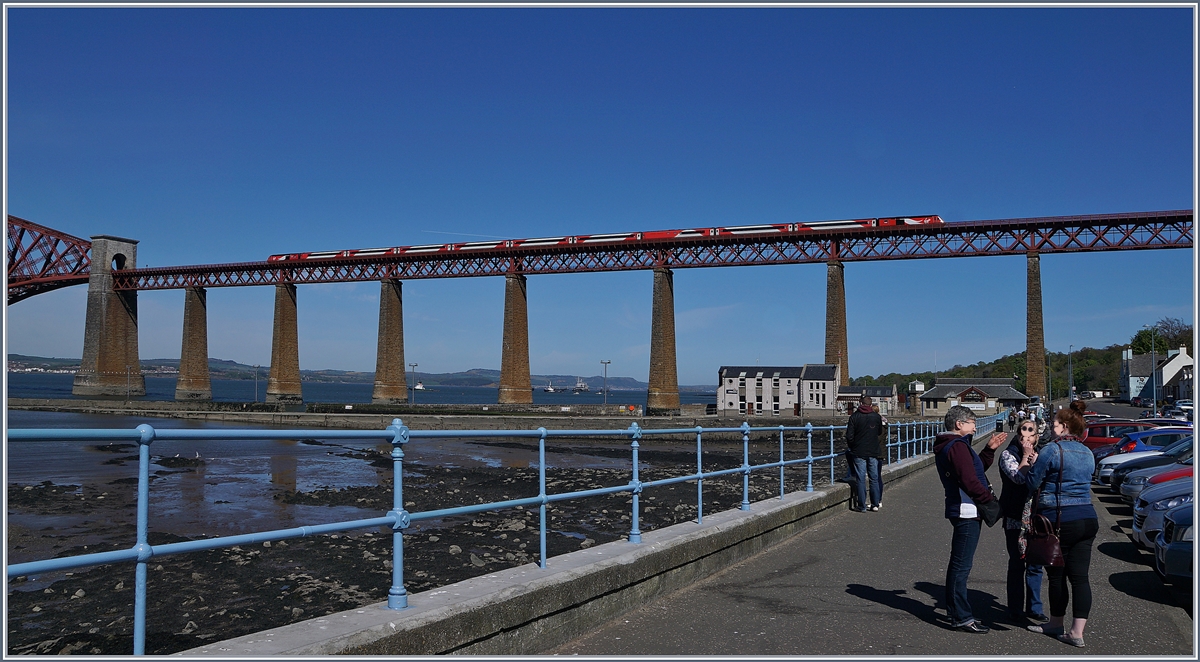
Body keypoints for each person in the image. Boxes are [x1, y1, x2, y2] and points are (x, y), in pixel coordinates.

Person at [1021, 406, 1098, 648]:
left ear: (1064, 427)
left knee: (1056, 576)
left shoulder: (1052, 449)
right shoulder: (1088, 452)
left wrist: (1031, 463)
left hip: (1060, 518)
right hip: (1088, 517)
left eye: (1054, 424)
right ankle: (1077, 631)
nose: (1051, 428)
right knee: (1080, 578)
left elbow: (1032, 483)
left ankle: (1055, 623)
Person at [933, 405, 1006, 633]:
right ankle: (961, 617)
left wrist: (988, 450)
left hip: (963, 507)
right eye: (972, 423)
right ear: (959, 424)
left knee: (959, 563)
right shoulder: (957, 447)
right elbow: (970, 480)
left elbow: (972, 469)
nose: (975, 427)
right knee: (961, 566)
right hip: (966, 510)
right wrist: (991, 502)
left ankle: (956, 611)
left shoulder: (953, 446)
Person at [996, 418, 1047, 624]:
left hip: (1037, 517)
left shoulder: (1043, 455)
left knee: (1035, 564)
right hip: (1015, 515)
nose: (1026, 434)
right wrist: (1025, 457)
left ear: (1036, 437)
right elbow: (1018, 478)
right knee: (1017, 563)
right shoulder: (1008, 454)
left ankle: (1035, 607)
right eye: (1022, 430)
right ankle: (1015, 609)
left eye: (1030, 431)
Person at [845, 395, 883, 512]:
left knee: (860, 478)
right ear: (870, 405)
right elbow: (879, 432)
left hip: (858, 451)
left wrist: (853, 446)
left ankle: (862, 506)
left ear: (861, 403)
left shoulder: (854, 417)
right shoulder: (876, 417)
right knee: (874, 478)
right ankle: (875, 504)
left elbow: (849, 436)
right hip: (873, 451)